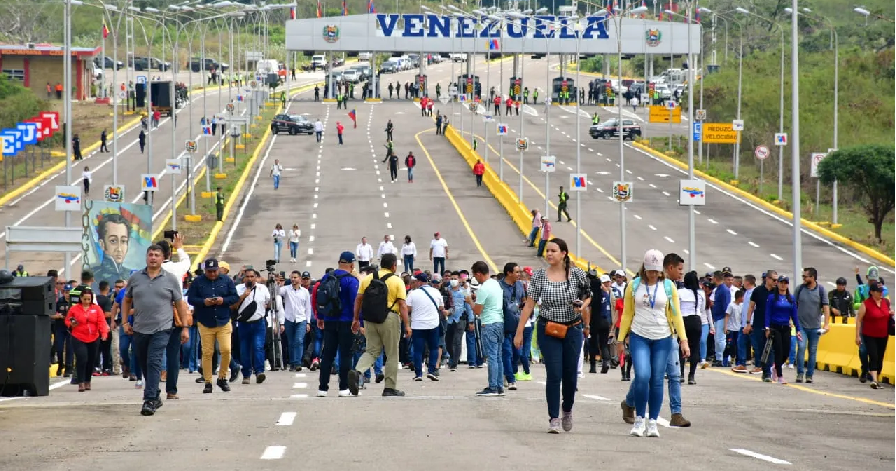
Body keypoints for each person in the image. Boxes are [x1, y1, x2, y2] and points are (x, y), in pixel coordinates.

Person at [513, 238, 591, 433]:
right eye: (547, 251)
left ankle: (567, 408)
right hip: (548, 329)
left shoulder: (577, 274)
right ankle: (554, 417)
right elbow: (529, 304)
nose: (549, 254)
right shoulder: (539, 276)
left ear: (564, 253)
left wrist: (582, 305)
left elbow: (589, 294)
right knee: (554, 374)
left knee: (570, 375)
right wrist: (519, 331)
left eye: (553, 251)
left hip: (572, 329)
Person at [616, 249, 689, 438]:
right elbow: (627, 314)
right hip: (639, 335)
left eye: (656, 271)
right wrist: (620, 339)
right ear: (644, 268)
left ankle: (653, 422)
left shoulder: (668, 287)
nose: (653, 274)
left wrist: (683, 340)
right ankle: (639, 420)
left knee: (657, 380)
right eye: (650, 270)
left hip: (662, 337)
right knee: (642, 376)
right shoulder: (634, 286)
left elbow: (676, 314)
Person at [121, 244, 192, 416]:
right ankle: (155, 394)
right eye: (150, 255)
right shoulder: (136, 278)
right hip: (139, 328)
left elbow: (179, 304)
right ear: (146, 257)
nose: (153, 258)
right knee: (145, 362)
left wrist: (184, 327)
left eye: (157, 255)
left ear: (163, 258)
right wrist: (124, 322)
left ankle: (150, 399)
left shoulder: (170, 279)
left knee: (154, 361)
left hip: (163, 328)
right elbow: (126, 301)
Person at [350, 253, 410, 397]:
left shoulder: (368, 279)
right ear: (393, 265)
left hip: (370, 318)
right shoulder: (397, 281)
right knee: (392, 353)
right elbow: (402, 304)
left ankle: (358, 371)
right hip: (390, 318)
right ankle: (389, 387)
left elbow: (358, 300)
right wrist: (407, 324)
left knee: (371, 350)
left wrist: (356, 319)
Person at [186, 259, 239, 393]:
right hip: (205, 321)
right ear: (205, 271)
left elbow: (235, 297)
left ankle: (222, 378)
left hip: (223, 320)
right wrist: (204, 302)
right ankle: (208, 381)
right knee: (207, 352)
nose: (212, 274)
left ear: (218, 269)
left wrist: (223, 300)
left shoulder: (226, 280)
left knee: (226, 349)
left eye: (214, 271)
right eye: (209, 272)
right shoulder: (198, 282)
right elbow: (191, 298)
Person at [317, 252, 361, 397]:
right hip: (346, 321)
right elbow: (355, 302)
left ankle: (322, 388)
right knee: (346, 355)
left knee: (328, 354)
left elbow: (321, 297)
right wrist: (357, 320)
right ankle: (343, 388)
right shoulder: (351, 280)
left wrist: (320, 316)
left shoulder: (327, 277)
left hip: (329, 319)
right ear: (352, 264)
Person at [465, 261, 506, 397]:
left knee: (492, 356)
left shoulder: (483, 288)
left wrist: (470, 301)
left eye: (474, 276)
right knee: (498, 356)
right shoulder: (496, 284)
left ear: (478, 274)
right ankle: (499, 385)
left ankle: (493, 386)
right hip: (499, 321)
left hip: (488, 323)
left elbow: (477, 311)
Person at [65, 288, 109, 392]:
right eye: (84, 299)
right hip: (78, 336)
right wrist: (71, 323)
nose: (86, 301)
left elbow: (101, 322)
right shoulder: (74, 309)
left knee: (91, 360)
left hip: (93, 337)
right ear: (81, 298)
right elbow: (67, 320)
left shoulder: (97, 309)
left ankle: (87, 380)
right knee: (82, 358)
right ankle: (80, 382)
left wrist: (103, 333)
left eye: (88, 299)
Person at [235, 269, 272, 384]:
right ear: (244, 278)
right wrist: (243, 296)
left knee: (258, 347)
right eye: (247, 276)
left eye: (252, 276)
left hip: (258, 323)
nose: (250, 279)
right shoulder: (238, 289)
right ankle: (246, 374)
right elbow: (233, 305)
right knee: (244, 349)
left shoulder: (262, 288)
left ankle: (259, 372)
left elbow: (269, 302)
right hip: (243, 323)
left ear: (256, 277)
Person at [794, 267, 830, 384]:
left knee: (812, 351)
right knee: (801, 348)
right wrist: (791, 319)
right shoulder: (799, 289)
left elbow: (825, 307)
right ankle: (800, 373)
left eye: (805, 276)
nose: (803, 278)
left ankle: (809, 375)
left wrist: (826, 324)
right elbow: (793, 305)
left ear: (812, 277)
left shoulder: (821, 290)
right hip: (801, 326)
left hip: (815, 327)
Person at [765, 275, 803, 384]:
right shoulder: (772, 297)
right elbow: (767, 313)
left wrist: (798, 329)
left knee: (786, 351)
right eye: (781, 282)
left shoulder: (791, 298)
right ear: (777, 283)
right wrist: (767, 327)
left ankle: (776, 367)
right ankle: (780, 376)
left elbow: (794, 315)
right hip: (775, 327)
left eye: (785, 282)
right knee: (778, 350)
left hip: (786, 327)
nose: (783, 284)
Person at [407, 273, 445, 381]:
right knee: (434, 348)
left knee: (418, 350)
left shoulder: (413, 294)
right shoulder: (436, 292)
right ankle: (432, 371)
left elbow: (408, 309)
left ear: (419, 282)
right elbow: (441, 307)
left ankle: (418, 374)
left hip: (418, 325)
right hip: (433, 324)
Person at [855, 282, 893, 389]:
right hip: (869, 334)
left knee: (880, 356)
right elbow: (859, 320)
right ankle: (874, 380)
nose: (881, 293)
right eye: (878, 291)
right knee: (873, 356)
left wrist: (891, 313)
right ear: (871, 292)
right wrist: (857, 335)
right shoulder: (866, 304)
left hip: (883, 334)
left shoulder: (886, 302)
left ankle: (877, 378)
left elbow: (887, 314)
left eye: (882, 291)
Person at [744, 270, 778, 380]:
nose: (775, 282)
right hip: (759, 323)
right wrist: (748, 323)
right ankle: (764, 370)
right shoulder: (758, 291)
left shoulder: (777, 291)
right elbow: (751, 307)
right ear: (767, 279)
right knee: (760, 348)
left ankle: (768, 372)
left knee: (771, 348)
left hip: (773, 324)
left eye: (777, 280)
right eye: (773, 280)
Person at [500, 263, 527, 391]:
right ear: (509, 273)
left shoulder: (520, 285)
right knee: (507, 352)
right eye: (516, 272)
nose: (519, 274)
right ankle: (511, 379)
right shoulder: (499, 286)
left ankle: (508, 372)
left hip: (517, 325)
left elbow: (524, 301)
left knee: (517, 354)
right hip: (503, 325)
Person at [280, 270, 312, 372]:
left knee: (298, 340)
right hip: (289, 319)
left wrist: (308, 322)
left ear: (300, 279)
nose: (293, 279)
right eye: (292, 278)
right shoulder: (286, 289)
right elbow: (278, 292)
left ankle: (298, 362)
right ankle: (293, 363)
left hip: (301, 319)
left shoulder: (305, 292)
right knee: (291, 342)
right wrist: (279, 284)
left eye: (295, 277)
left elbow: (308, 307)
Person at [92, 213, 136, 286]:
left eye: (123, 241)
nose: (119, 249)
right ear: (102, 244)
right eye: (113, 241)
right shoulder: (93, 276)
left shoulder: (132, 275)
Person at [679, 271, 706, 384]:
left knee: (681, 347)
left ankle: (681, 374)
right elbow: (703, 309)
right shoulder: (701, 293)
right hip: (696, 320)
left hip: (683, 320)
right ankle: (692, 376)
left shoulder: (680, 292)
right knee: (695, 348)